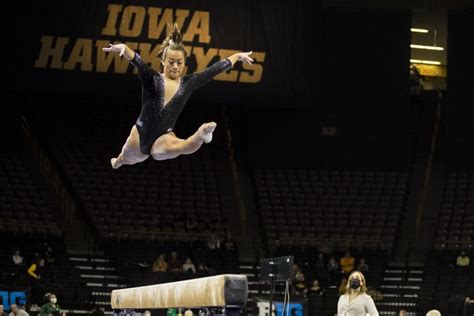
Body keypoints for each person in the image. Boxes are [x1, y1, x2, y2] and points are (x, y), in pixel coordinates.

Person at [103, 23, 254, 168]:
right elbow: (138, 62)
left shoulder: (189, 82)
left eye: (179, 63)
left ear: (184, 63)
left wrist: (236, 56)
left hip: (164, 136)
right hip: (140, 134)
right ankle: (117, 162)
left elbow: (213, 70)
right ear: (163, 61)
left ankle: (202, 134)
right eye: (171, 62)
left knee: (182, 146)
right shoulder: (152, 78)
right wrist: (124, 48)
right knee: (125, 159)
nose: (175, 66)